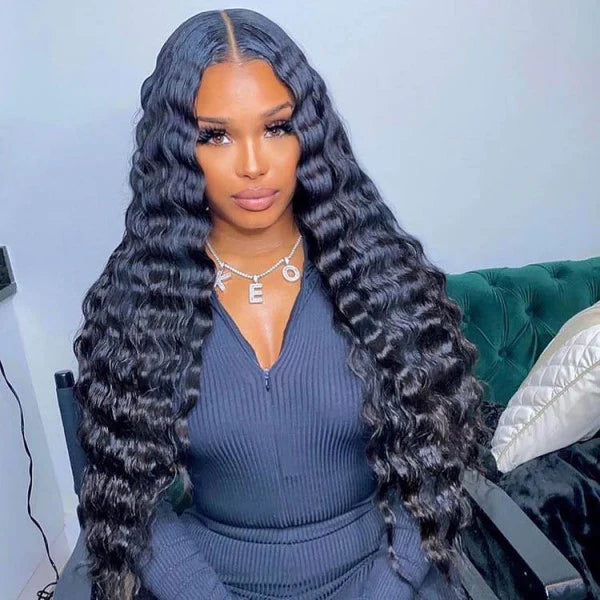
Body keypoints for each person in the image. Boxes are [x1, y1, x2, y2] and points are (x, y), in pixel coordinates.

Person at [72, 8, 489, 600]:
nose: (252, 164)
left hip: (384, 581)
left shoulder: (382, 278)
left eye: (275, 127)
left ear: (307, 135)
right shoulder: (140, 306)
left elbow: (434, 461)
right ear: (178, 151)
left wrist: (385, 590)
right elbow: (133, 503)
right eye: (216, 135)